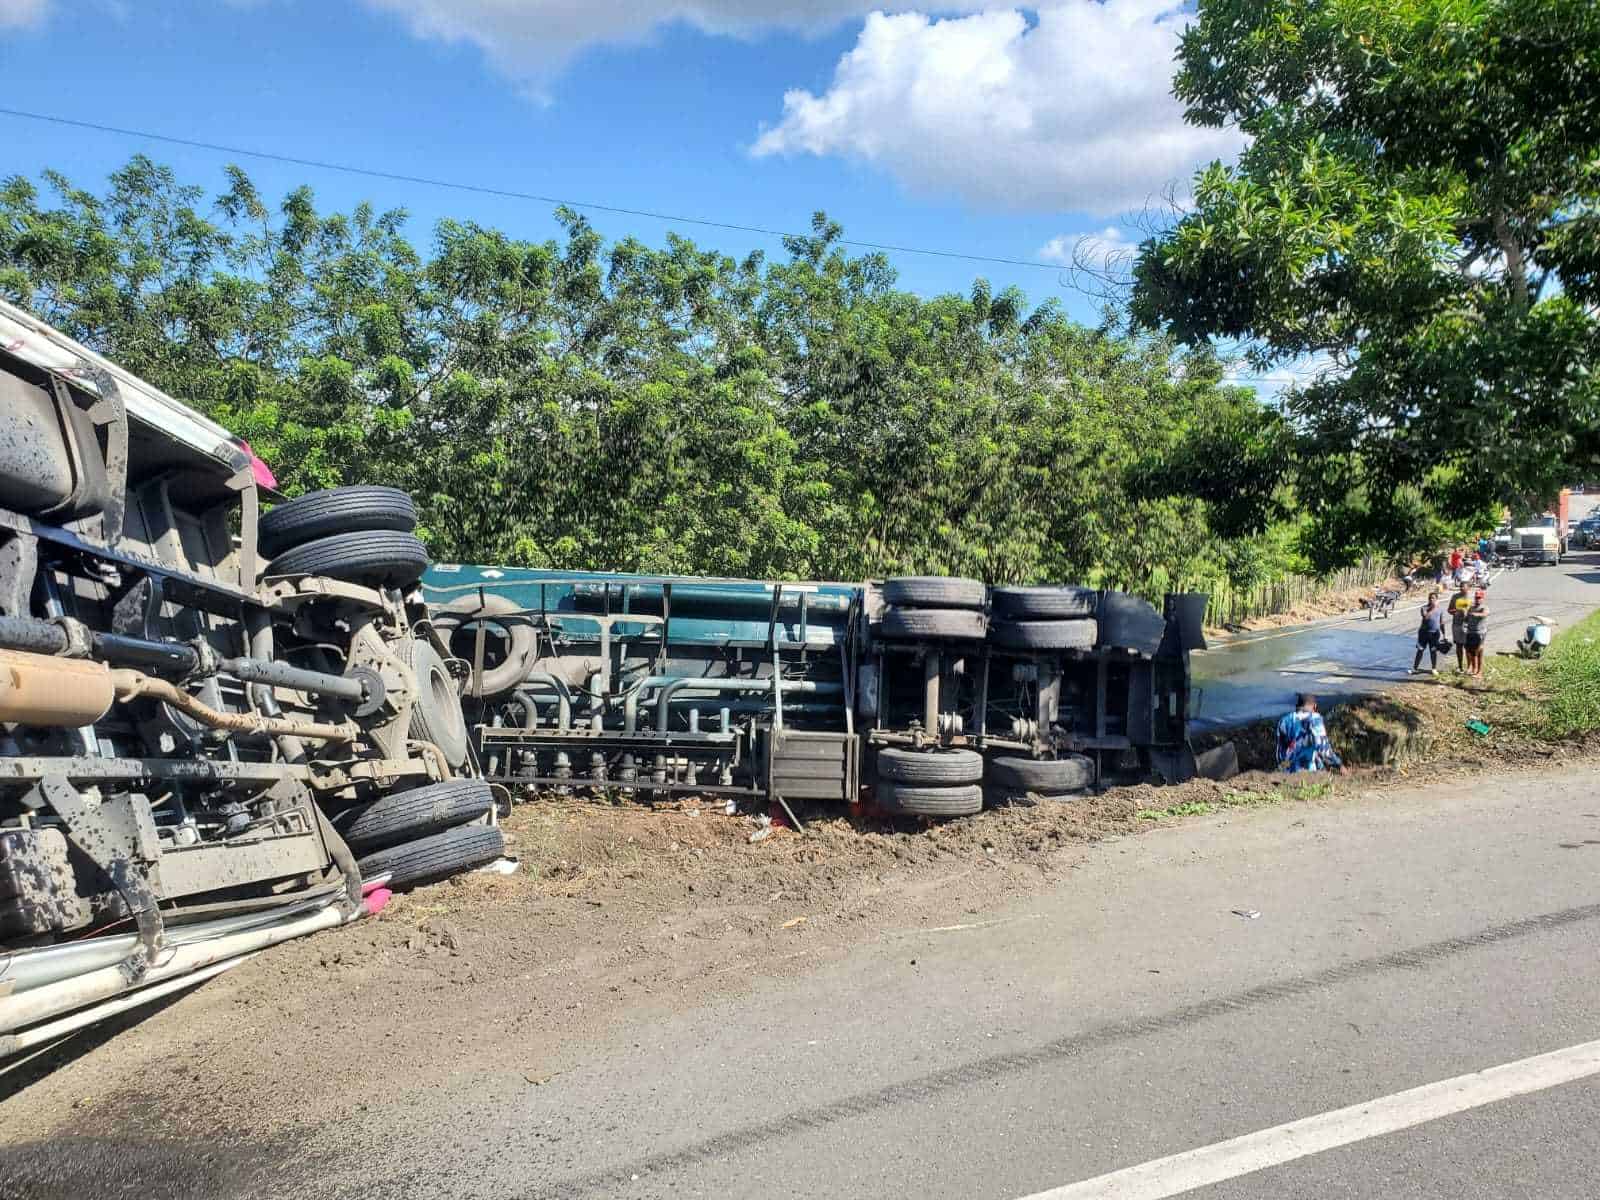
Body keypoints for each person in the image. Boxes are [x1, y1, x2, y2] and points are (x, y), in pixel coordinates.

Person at [1276, 693, 1347, 774]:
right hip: (1309, 771)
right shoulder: (1315, 719)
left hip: (1287, 770)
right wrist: (1339, 765)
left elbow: (1280, 753)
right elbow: (1323, 748)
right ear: (1315, 706)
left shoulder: (1284, 721)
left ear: (1297, 706)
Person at [1412, 591, 1444, 674]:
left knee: (1433, 651)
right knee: (1420, 650)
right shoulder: (1424, 608)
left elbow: (1441, 622)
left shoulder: (1440, 609)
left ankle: (1434, 668)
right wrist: (1433, 608)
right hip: (1424, 633)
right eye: (1430, 598)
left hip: (1434, 634)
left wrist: (1443, 634)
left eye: (1433, 598)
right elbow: (1426, 617)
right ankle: (1415, 667)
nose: (1431, 600)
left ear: (1437, 599)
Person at [1448, 581, 1472, 671]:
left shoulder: (1472, 599)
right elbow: (1449, 610)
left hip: (1468, 625)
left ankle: (1469, 667)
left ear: (1469, 588)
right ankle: (1460, 666)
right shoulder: (1455, 597)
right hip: (1457, 624)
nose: (1462, 588)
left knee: (1468, 647)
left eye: (1464, 587)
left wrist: (1468, 614)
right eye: (1461, 587)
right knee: (1459, 646)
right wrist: (1457, 611)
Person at [1465, 589, 1489, 677]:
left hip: (1480, 633)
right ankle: (1473, 669)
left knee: (1478, 652)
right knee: (1469, 651)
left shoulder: (1484, 607)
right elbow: (1466, 619)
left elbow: (1485, 614)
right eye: (1476, 597)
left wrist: (1476, 614)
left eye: (1479, 598)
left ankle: (1479, 671)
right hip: (1470, 632)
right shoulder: (1471, 608)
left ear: (1482, 598)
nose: (1477, 599)